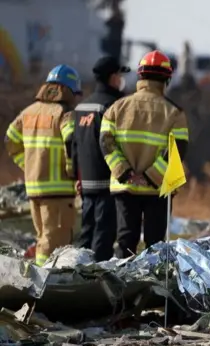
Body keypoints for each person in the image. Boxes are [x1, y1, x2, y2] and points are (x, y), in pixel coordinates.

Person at [99, 50, 189, 258]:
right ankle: (152, 288)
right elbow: (178, 150)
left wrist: (126, 173)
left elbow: (106, 143)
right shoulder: (174, 112)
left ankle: (123, 287)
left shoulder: (116, 108)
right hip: (158, 189)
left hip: (124, 187)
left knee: (125, 243)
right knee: (155, 247)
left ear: (140, 76)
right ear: (166, 79)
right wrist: (150, 176)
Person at [4, 65, 82, 266]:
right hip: (58, 192)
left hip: (34, 190)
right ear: (69, 90)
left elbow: (10, 140)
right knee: (54, 242)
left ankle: (40, 281)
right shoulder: (65, 114)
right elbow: (71, 142)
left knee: (43, 238)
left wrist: (29, 166)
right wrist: (72, 172)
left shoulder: (28, 113)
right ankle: (44, 285)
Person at [71, 56, 130, 261]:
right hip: (108, 183)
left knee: (86, 235)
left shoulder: (81, 108)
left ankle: (77, 274)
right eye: (120, 75)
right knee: (103, 238)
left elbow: (74, 145)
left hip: (86, 183)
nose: (121, 80)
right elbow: (118, 144)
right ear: (113, 77)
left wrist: (76, 177)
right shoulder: (114, 106)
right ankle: (95, 283)